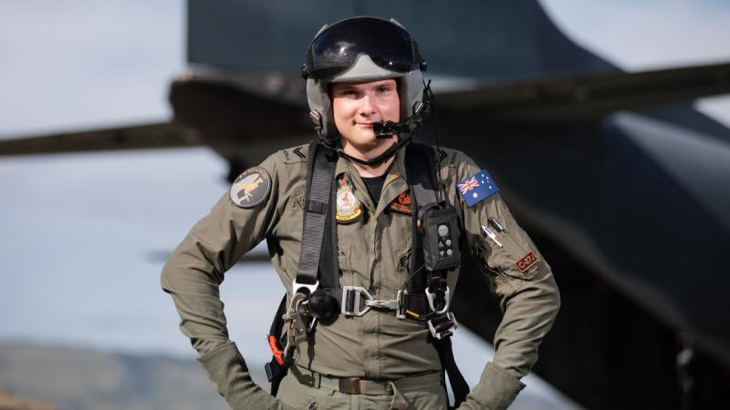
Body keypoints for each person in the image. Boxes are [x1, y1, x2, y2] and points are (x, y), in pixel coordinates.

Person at [161, 16, 560, 410]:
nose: (368, 108)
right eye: (351, 93)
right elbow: (188, 267)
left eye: (383, 90)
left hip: (417, 399)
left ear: (408, 95)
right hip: (310, 399)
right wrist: (241, 392)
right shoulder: (285, 176)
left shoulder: (453, 176)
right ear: (326, 101)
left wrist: (490, 398)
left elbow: (533, 287)